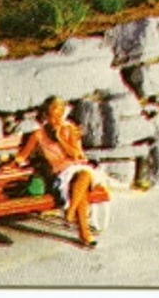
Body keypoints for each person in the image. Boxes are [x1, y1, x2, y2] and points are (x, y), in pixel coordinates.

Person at [17, 97, 107, 247]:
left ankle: (71, 212)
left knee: (82, 176)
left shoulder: (69, 129)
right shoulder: (38, 135)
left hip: (77, 168)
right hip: (58, 175)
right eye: (54, 115)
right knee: (81, 186)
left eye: (61, 115)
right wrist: (11, 164)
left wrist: (62, 140)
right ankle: (84, 233)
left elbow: (78, 156)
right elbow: (22, 156)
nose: (58, 119)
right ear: (46, 116)